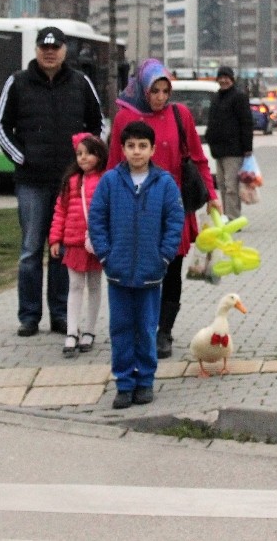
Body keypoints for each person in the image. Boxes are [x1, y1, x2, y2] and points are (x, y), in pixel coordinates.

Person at [0, 25, 104, 338]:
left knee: (62, 250)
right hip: (31, 182)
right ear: (37, 49)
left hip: (69, 184)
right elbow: (1, 127)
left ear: (64, 51)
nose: (50, 52)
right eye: (44, 47)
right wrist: (22, 158)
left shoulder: (81, 83)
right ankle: (29, 316)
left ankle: (60, 315)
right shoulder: (17, 82)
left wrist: (88, 161)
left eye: (55, 48)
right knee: (30, 251)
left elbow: (99, 123)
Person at [107, 59, 221, 359]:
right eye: (154, 90)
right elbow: (112, 167)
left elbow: (197, 159)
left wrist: (211, 194)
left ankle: (164, 331)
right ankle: (139, 326)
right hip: (135, 208)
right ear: (142, 89)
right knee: (141, 269)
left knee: (171, 270)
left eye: (165, 90)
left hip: (174, 207)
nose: (160, 97)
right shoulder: (125, 119)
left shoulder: (179, 115)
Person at [88, 120, 185, 409]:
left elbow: (174, 222)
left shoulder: (165, 183)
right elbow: (97, 219)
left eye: (143, 146)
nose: (137, 152)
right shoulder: (110, 181)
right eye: (131, 146)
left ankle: (145, 380)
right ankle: (124, 383)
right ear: (122, 149)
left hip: (150, 274)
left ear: (153, 149)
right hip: (118, 273)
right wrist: (105, 255)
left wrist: (164, 257)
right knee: (120, 328)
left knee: (145, 328)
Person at [49, 133, 108, 358]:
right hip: (74, 242)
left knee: (94, 286)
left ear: (99, 155)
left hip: (96, 243)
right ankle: (72, 331)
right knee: (74, 286)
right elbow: (60, 210)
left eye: (89, 153)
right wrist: (55, 238)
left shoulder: (106, 180)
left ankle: (90, 331)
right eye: (79, 154)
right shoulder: (71, 181)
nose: (83, 158)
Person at [204, 66, 253, 219]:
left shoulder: (239, 97)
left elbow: (246, 122)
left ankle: (233, 217)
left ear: (232, 79)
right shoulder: (216, 97)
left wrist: (247, 147)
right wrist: (209, 138)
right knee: (222, 185)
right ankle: (226, 215)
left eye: (227, 77)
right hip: (218, 149)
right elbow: (212, 121)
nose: (223, 80)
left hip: (234, 149)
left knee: (232, 186)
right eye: (221, 77)